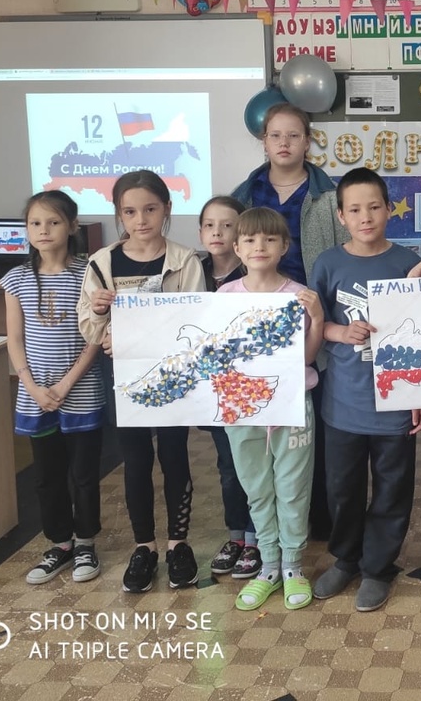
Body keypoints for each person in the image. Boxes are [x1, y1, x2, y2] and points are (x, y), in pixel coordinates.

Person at [309, 168, 421, 612]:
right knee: (342, 489)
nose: (365, 217)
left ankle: (377, 567)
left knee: (392, 489)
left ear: (389, 209)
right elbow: (315, 323)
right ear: (341, 216)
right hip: (342, 403)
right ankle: (346, 559)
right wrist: (338, 332)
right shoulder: (328, 263)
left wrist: (418, 394)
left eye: (373, 207)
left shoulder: (407, 262)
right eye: (354, 209)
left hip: (394, 401)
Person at [78, 170, 205, 594]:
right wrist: (100, 314)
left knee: (174, 455)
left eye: (150, 209)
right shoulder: (102, 263)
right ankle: (144, 546)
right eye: (130, 212)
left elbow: (194, 320)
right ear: (119, 214)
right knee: (135, 460)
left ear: (166, 208)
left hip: (172, 376)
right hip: (124, 377)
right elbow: (89, 328)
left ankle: (178, 545)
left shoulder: (184, 260)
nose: (141, 219)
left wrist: (141, 336)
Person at [232, 102, 348, 542]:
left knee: (307, 427)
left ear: (308, 141)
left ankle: (312, 523)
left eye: (294, 135)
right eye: (275, 135)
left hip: (312, 320)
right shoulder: (244, 194)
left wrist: (326, 321)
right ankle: (256, 532)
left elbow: (343, 258)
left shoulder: (328, 195)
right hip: (256, 326)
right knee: (254, 434)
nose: (284, 143)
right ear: (263, 141)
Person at [217, 207, 325, 611]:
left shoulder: (298, 294)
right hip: (241, 410)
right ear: (237, 248)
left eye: (269, 239)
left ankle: (293, 565)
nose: (259, 246)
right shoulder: (224, 297)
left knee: (293, 486)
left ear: (284, 246)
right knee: (256, 487)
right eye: (249, 239)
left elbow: (307, 358)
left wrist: (317, 319)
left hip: (291, 404)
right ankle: (268, 565)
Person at [4, 191, 106, 586]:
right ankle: (60, 544)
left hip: (81, 393)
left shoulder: (88, 274)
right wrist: (31, 386)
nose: (43, 230)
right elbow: (15, 339)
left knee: (83, 474)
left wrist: (65, 383)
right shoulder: (16, 279)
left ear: (73, 226)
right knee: (47, 475)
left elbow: (95, 336)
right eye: (35, 223)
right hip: (37, 397)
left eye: (53, 222)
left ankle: (86, 543)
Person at [196, 195, 261, 582]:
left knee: (254, 464)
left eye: (227, 225)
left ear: (241, 236)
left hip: (251, 390)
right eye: (209, 225)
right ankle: (236, 535)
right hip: (210, 389)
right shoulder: (190, 272)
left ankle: (256, 538)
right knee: (228, 466)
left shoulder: (257, 269)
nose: (217, 232)